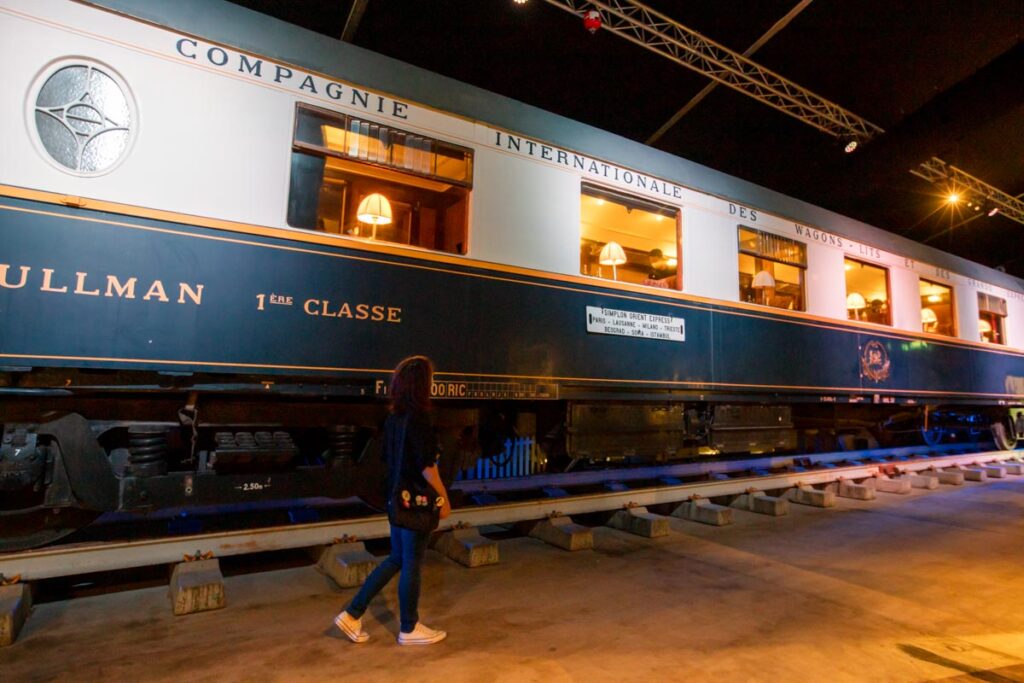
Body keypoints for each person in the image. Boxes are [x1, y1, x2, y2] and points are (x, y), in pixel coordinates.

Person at [333, 355, 452, 645]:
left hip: (396, 500)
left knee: (397, 558)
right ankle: (409, 628)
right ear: (421, 384)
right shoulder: (419, 418)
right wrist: (444, 497)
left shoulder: (394, 418)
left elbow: (386, 458)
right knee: (412, 562)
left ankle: (352, 614)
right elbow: (427, 465)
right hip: (417, 501)